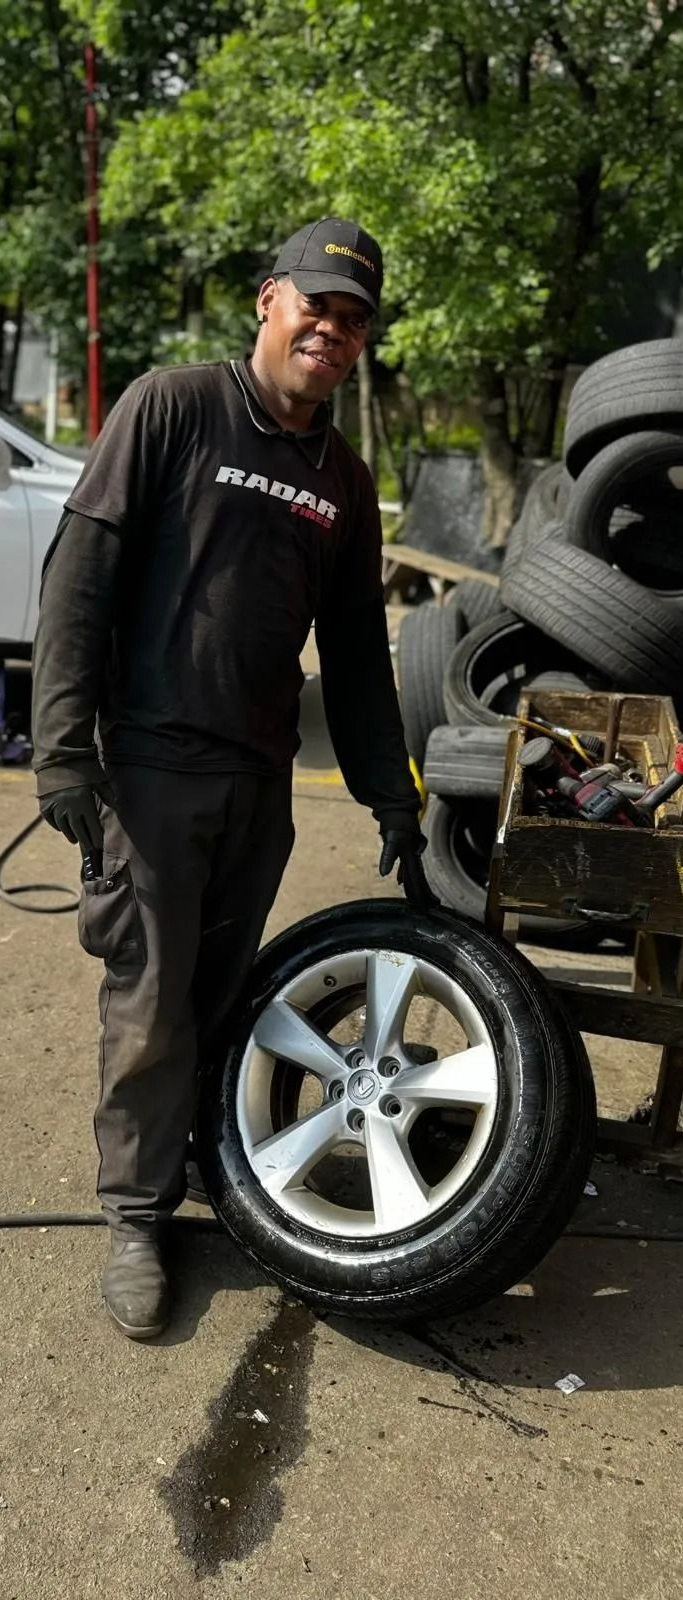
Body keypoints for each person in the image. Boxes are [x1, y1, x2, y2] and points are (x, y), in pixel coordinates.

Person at [31, 215, 432, 1341]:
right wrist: (62, 749)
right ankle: (133, 1215)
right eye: (317, 305)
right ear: (269, 299)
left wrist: (388, 792)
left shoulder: (343, 481)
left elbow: (355, 656)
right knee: (151, 1006)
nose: (332, 330)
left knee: (222, 996)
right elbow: (81, 577)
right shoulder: (172, 407)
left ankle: (204, 1169)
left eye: (353, 321)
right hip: (152, 768)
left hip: (259, 783)